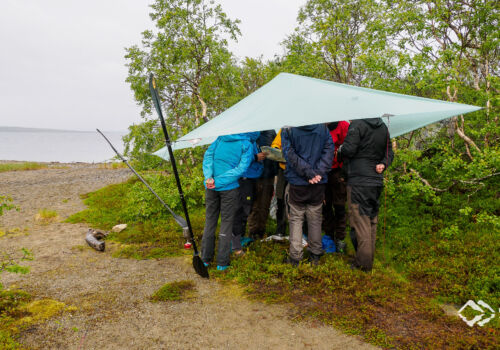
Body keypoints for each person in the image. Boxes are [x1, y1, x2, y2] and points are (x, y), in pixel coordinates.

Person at [338, 117, 394, 272]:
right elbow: (390, 152)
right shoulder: (383, 126)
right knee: (371, 221)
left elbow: (348, 150)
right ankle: (366, 258)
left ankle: (363, 264)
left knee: (360, 222)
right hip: (376, 182)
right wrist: (383, 163)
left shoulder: (357, 124)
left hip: (359, 181)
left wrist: (340, 150)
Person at [281, 125, 335, 266]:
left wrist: (312, 173)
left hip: (298, 181)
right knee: (315, 218)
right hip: (316, 181)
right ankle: (315, 255)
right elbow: (329, 151)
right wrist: (316, 173)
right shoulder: (323, 129)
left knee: (296, 218)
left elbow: (288, 153)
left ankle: (295, 257)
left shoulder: (288, 129)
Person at [201, 133, 254, 271]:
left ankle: (205, 259)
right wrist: (218, 181)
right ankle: (222, 263)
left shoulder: (219, 138)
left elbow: (208, 156)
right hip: (229, 189)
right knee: (226, 223)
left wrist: (209, 178)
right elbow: (241, 169)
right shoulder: (246, 143)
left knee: (210, 221)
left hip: (211, 186)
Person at [231, 132, 264, 256]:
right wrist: (255, 157)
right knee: (241, 210)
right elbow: (237, 157)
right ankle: (235, 244)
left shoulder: (252, 138)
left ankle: (240, 237)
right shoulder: (242, 137)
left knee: (246, 208)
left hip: (252, 176)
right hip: (244, 177)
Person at [322, 121, 349, 253]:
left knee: (339, 206)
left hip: (338, 170)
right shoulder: (319, 125)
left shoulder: (343, 125)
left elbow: (349, 147)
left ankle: (340, 238)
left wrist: (339, 153)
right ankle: (328, 235)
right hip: (322, 170)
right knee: (325, 205)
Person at [247, 130, 277, 240]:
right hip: (254, 174)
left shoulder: (271, 132)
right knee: (254, 205)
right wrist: (255, 156)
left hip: (269, 174)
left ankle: (261, 231)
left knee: (265, 204)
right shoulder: (251, 131)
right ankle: (252, 231)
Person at [270, 129, 288, 238]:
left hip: (300, 171)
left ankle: (303, 232)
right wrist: (276, 150)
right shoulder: (284, 129)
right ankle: (280, 230)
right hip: (283, 169)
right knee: (280, 199)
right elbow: (275, 144)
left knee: (299, 201)